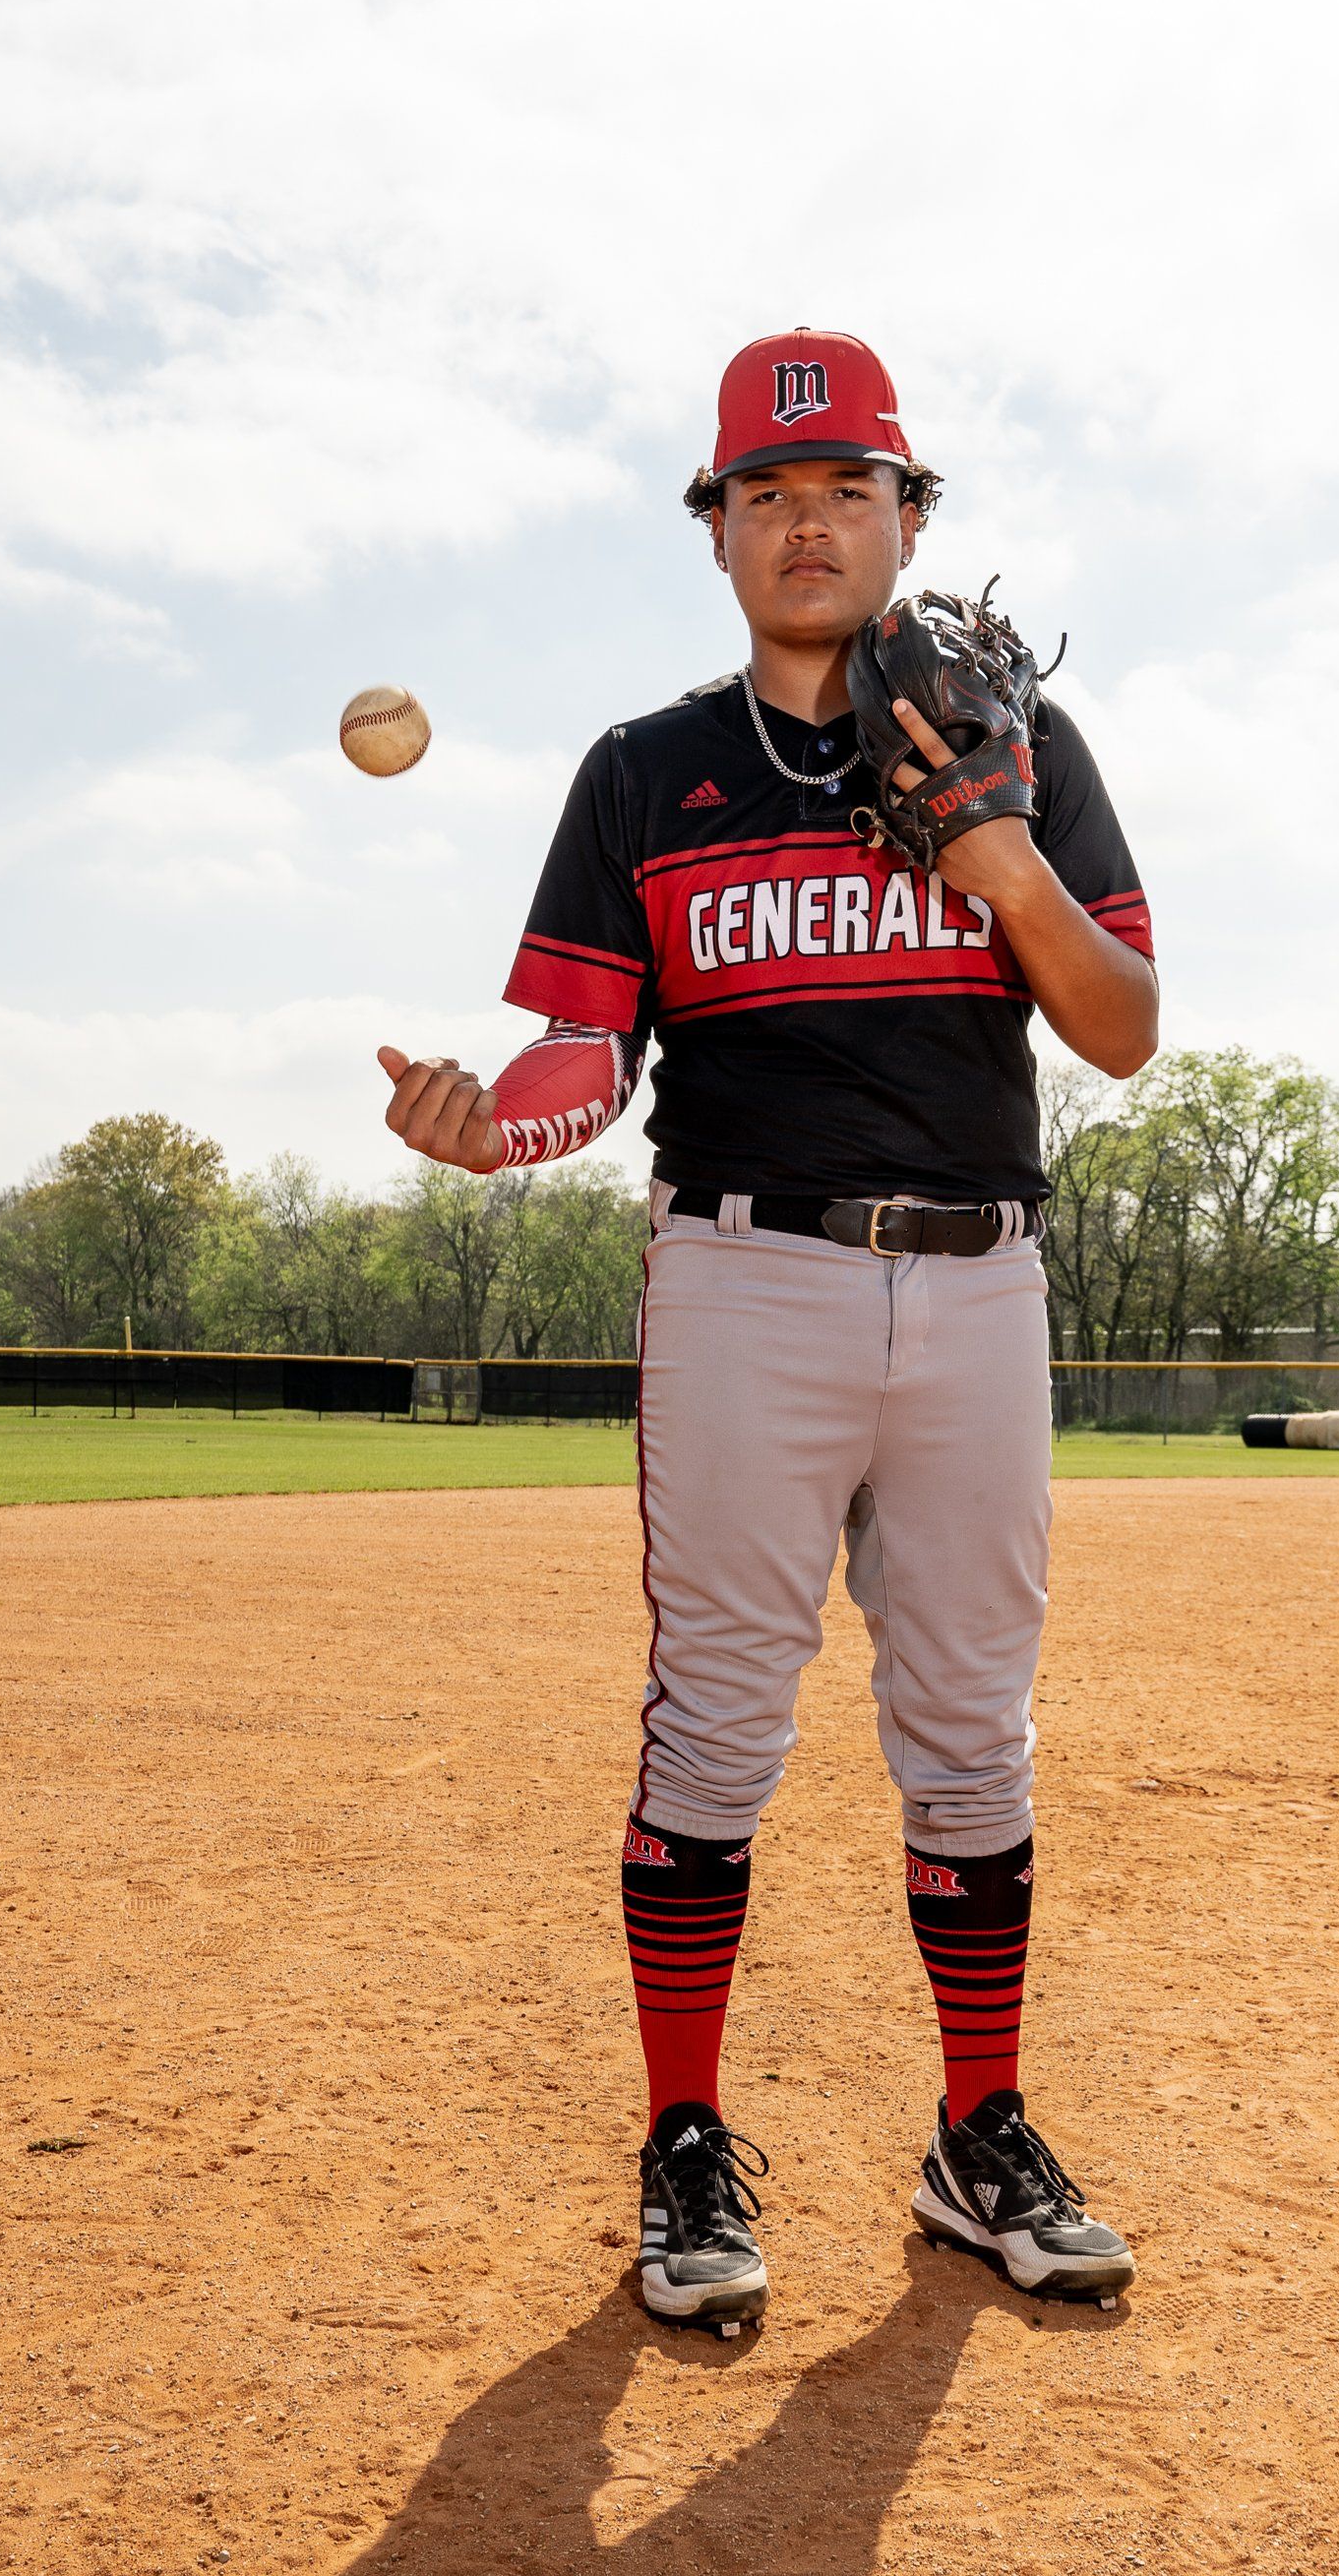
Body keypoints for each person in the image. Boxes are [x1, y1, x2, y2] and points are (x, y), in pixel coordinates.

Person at [378, 327, 1158, 2331]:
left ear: (909, 517)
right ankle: (682, 2145)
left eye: (846, 487)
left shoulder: (1022, 751)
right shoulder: (645, 773)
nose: (805, 522)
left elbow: (1122, 1028)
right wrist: (494, 1127)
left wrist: (984, 838)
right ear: (716, 529)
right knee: (718, 1720)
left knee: (970, 1728)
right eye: (765, 492)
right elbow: (579, 1051)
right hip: (742, 1280)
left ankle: (974, 2131)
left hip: (979, 1278)